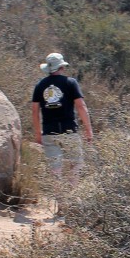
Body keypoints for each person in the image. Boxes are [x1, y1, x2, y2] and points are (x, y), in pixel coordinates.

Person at [31, 53, 93, 196]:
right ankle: (71, 196)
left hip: (49, 132)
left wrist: (37, 133)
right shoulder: (70, 83)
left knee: (55, 169)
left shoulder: (40, 85)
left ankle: (60, 202)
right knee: (76, 163)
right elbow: (81, 106)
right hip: (69, 131)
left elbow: (35, 111)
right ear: (61, 67)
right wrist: (88, 130)